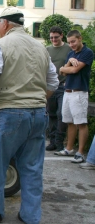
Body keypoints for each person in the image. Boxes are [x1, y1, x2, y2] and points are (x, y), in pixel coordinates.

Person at [0, 7, 59, 224]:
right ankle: (30, 216)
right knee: (32, 167)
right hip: (39, 113)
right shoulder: (41, 48)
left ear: (5, 23)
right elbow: (53, 82)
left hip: (9, 112)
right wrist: (38, 100)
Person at [56, 30, 94, 163]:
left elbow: (74, 70)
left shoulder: (87, 52)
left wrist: (67, 67)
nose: (71, 44)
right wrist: (69, 62)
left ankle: (80, 152)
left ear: (80, 39)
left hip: (79, 92)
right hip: (67, 91)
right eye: (70, 42)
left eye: (73, 41)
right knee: (70, 122)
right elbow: (63, 71)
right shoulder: (71, 54)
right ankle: (69, 148)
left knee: (81, 123)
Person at [46, 26, 71, 152]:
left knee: (62, 114)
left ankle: (59, 141)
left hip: (63, 86)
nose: (54, 40)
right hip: (50, 86)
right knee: (51, 114)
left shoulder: (68, 48)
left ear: (61, 35)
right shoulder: (47, 49)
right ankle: (52, 141)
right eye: (51, 38)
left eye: (56, 37)